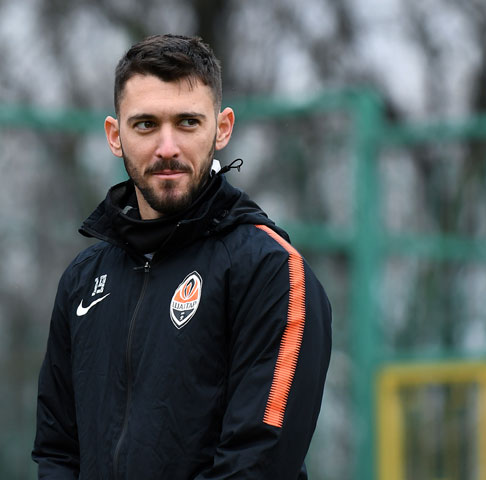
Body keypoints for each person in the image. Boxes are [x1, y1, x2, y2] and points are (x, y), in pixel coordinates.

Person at [32, 34, 332, 479]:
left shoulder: (270, 270)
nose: (167, 147)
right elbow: (57, 451)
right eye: (146, 124)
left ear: (222, 128)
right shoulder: (83, 279)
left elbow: (257, 462)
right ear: (115, 135)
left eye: (188, 122)